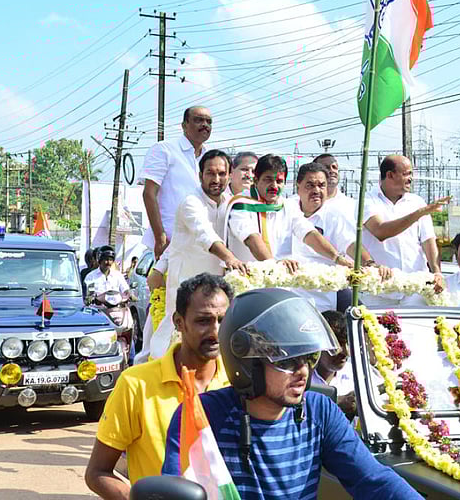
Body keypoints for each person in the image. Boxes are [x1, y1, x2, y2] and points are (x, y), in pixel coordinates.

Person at [161, 288, 422, 500]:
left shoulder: (319, 412)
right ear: (247, 362)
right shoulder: (204, 416)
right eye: (286, 361)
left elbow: (372, 480)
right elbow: (176, 488)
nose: (302, 371)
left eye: (309, 357)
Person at [85, 274, 234, 498]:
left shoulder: (238, 383)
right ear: (178, 322)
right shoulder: (136, 385)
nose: (215, 332)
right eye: (203, 321)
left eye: (223, 320)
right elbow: (97, 473)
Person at [141, 149, 249, 361]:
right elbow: (204, 234)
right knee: (176, 332)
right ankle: (159, 377)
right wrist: (230, 258)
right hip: (186, 283)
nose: (216, 179)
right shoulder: (191, 202)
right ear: (200, 176)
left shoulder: (230, 202)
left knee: (210, 335)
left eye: (221, 173)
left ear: (229, 176)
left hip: (215, 285)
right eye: (210, 173)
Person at [287, 162, 390, 312]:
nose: (316, 190)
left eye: (321, 185)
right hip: (287, 296)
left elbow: (351, 245)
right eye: (310, 185)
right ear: (298, 186)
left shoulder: (334, 215)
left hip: (322, 299)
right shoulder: (287, 209)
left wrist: (370, 263)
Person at [226, 154, 354, 271]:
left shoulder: (286, 205)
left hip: (280, 280)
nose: (274, 186)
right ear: (256, 179)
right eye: (268, 179)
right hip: (248, 281)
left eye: (279, 181)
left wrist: (337, 258)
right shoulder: (241, 204)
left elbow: (309, 233)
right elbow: (252, 238)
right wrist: (274, 265)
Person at [361, 155, 449, 307]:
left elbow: (428, 241)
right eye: (406, 174)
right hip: (379, 290)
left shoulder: (416, 202)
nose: (410, 179)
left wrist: (437, 271)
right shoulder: (367, 200)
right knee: (377, 330)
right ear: (389, 175)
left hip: (415, 289)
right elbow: (381, 231)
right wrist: (419, 213)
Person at [140, 105, 212, 260]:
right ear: (184, 125)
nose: (205, 125)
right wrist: (160, 237)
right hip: (169, 245)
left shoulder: (210, 158)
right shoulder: (164, 150)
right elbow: (149, 194)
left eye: (208, 121)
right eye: (199, 120)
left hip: (201, 246)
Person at [312, 310, 356, 419]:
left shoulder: (357, 375)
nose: (346, 353)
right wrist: (336, 401)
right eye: (337, 345)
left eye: (347, 344)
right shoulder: (300, 378)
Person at [313, 153, 356, 217]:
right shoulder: (298, 204)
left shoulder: (351, 206)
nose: (332, 170)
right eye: (326, 167)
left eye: (334, 167)